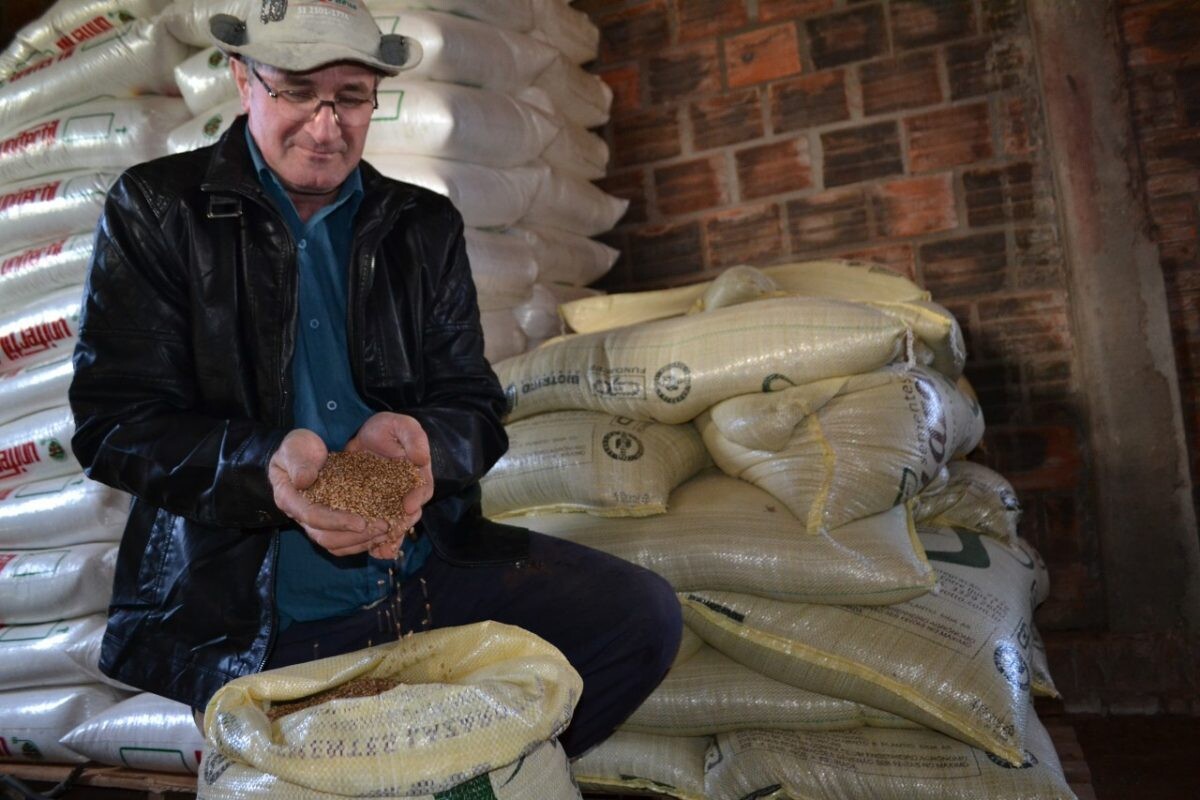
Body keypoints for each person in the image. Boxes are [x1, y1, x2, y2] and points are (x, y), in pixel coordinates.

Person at [68, 0, 680, 758]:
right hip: (253, 606)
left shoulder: (420, 226)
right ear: (242, 78)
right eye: (297, 90)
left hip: (425, 567)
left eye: (352, 96)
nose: (326, 127)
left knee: (637, 616)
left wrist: (425, 444)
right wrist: (270, 467)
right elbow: (115, 425)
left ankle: (487, 776)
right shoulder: (160, 209)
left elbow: (474, 405)